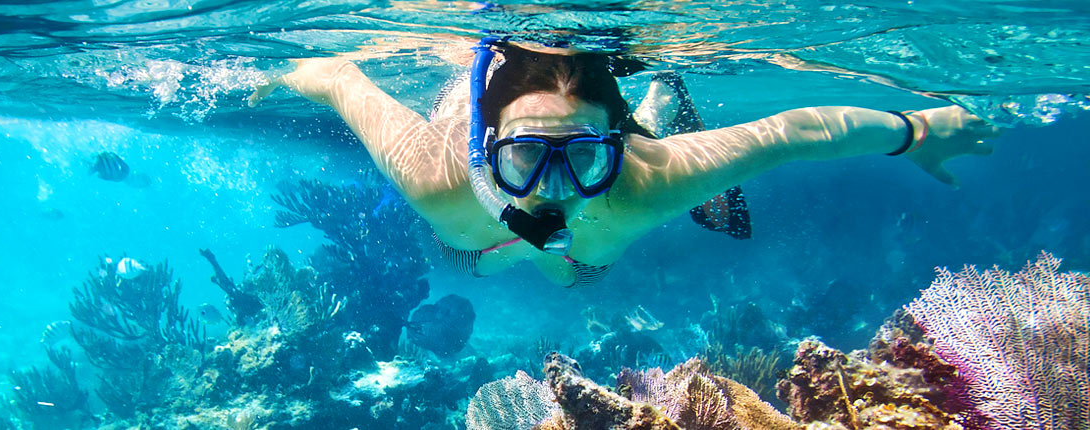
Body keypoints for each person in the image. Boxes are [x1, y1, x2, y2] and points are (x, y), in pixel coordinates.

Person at [249, 39, 997, 288]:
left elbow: (796, 131)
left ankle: (657, 109)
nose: (551, 189)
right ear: (486, 150)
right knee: (467, 254)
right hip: (472, 234)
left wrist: (917, 128)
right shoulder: (436, 177)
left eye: (580, 157)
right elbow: (341, 75)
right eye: (525, 157)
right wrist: (280, 75)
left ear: (616, 146)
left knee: (577, 269)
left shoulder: (649, 179)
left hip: (612, 185)